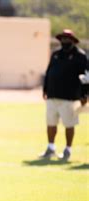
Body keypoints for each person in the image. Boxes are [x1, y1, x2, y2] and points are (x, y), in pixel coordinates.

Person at [40, 29, 87, 161]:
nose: (65, 41)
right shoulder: (55, 54)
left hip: (70, 97)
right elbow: (49, 72)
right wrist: (45, 89)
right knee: (50, 123)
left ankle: (68, 149)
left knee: (69, 124)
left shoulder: (80, 56)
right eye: (63, 39)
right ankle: (51, 147)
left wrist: (84, 95)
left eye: (67, 39)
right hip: (53, 95)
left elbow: (85, 77)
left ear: (73, 41)